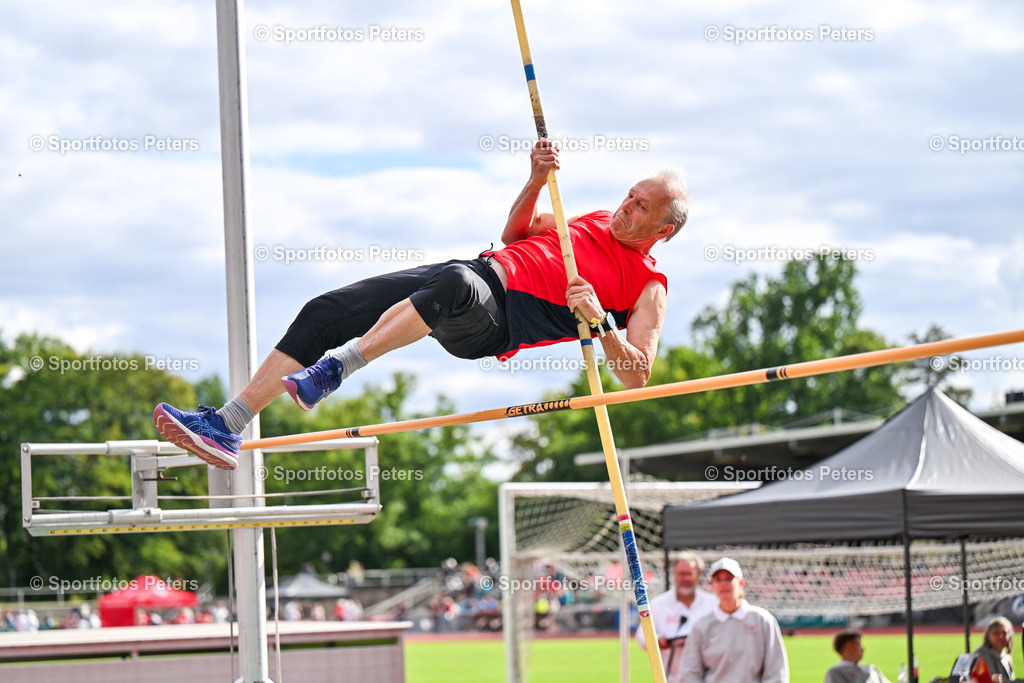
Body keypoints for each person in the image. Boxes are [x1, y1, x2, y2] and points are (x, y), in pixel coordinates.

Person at [152, 141, 689, 469]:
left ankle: (336, 368)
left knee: (455, 281)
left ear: (663, 229)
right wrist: (534, 180)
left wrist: (600, 323)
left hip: (494, 321)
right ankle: (228, 423)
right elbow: (514, 232)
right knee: (326, 310)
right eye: (629, 195)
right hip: (473, 274)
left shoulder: (648, 286)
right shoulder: (590, 219)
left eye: (641, 207)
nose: (626, 207)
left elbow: (636, 374)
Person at [674, 557, 789, 683]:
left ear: (741, 582)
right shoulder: (702, 626)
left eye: (728, 579)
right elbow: (690, 672)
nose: (723, 584)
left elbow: (776, 670)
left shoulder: (762, 620)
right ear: (712, 585)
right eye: (718, 579)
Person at [636, 553, 717, 678]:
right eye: (681, 574)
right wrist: (658, 640)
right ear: (673, 574)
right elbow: (641, 635)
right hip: (672, 677)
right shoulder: (658, 604)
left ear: (698, 575)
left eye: (689, 574)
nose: (685, 578)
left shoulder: (713, 603)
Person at [824, 630, 891, 683]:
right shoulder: (835, 672)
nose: (862, 649)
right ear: (849, 647)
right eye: (859, 645)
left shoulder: (871, 668)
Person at [968, 616, 1015, 681]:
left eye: (1004, 633)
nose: (1000, 637)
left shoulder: (1007, 658)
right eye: (996, 633)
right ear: (988, 635)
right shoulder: (980, 657)